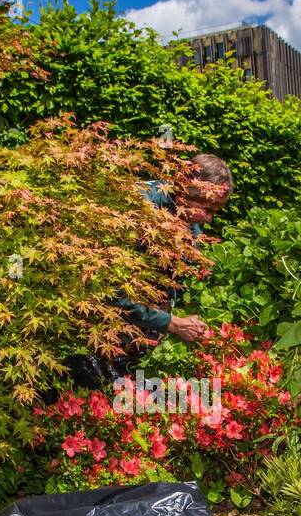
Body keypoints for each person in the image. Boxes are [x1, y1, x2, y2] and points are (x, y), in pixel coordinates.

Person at [65, 153, 233, 388]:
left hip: (137, 336)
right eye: (206, 209)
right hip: (90, 327)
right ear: (185, 192)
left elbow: (171, 282)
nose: (209, 219)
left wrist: (168, 313)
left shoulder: (190, 225)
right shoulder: (138, 209)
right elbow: (109, 289)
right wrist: (171, 323)